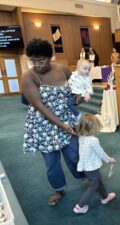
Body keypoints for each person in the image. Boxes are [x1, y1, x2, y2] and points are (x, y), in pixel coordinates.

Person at [22, 38, 85, 206]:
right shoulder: (29, 76)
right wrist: (61, 125)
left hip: (66, 118)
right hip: (43, 125)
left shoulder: (63, 70)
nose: (37, 64)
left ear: (50, 57)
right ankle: (58, 189)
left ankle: (84, 178)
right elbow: (39, 106)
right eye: (33, 60)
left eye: (41, 60)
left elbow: (75, 90)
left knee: (74, 154)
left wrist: (78, 98)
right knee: (52, 162)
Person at [73, 114, 116, 214]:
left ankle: (105, 197)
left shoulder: (81, 136)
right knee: (94, 185)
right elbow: (100, 153)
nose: (97, 130)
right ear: (91, 128)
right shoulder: (93, 140)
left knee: (98, 181)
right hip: (91, 167)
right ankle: (80, 206)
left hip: (86, 167)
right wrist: (109, 159)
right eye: (95, 127)